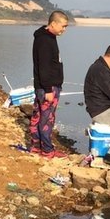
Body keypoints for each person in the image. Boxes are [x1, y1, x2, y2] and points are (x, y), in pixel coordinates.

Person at [30, 10, 69, 158]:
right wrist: (48, 90)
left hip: (42, 85)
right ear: (53, 23)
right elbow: (44, 67)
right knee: (47, 119)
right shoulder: (46, 40)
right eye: (63, 26)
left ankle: (35, 146)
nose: (64, 30)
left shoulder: (45, 37)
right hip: (48, 87)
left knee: (38, 116)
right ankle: (47, 150)